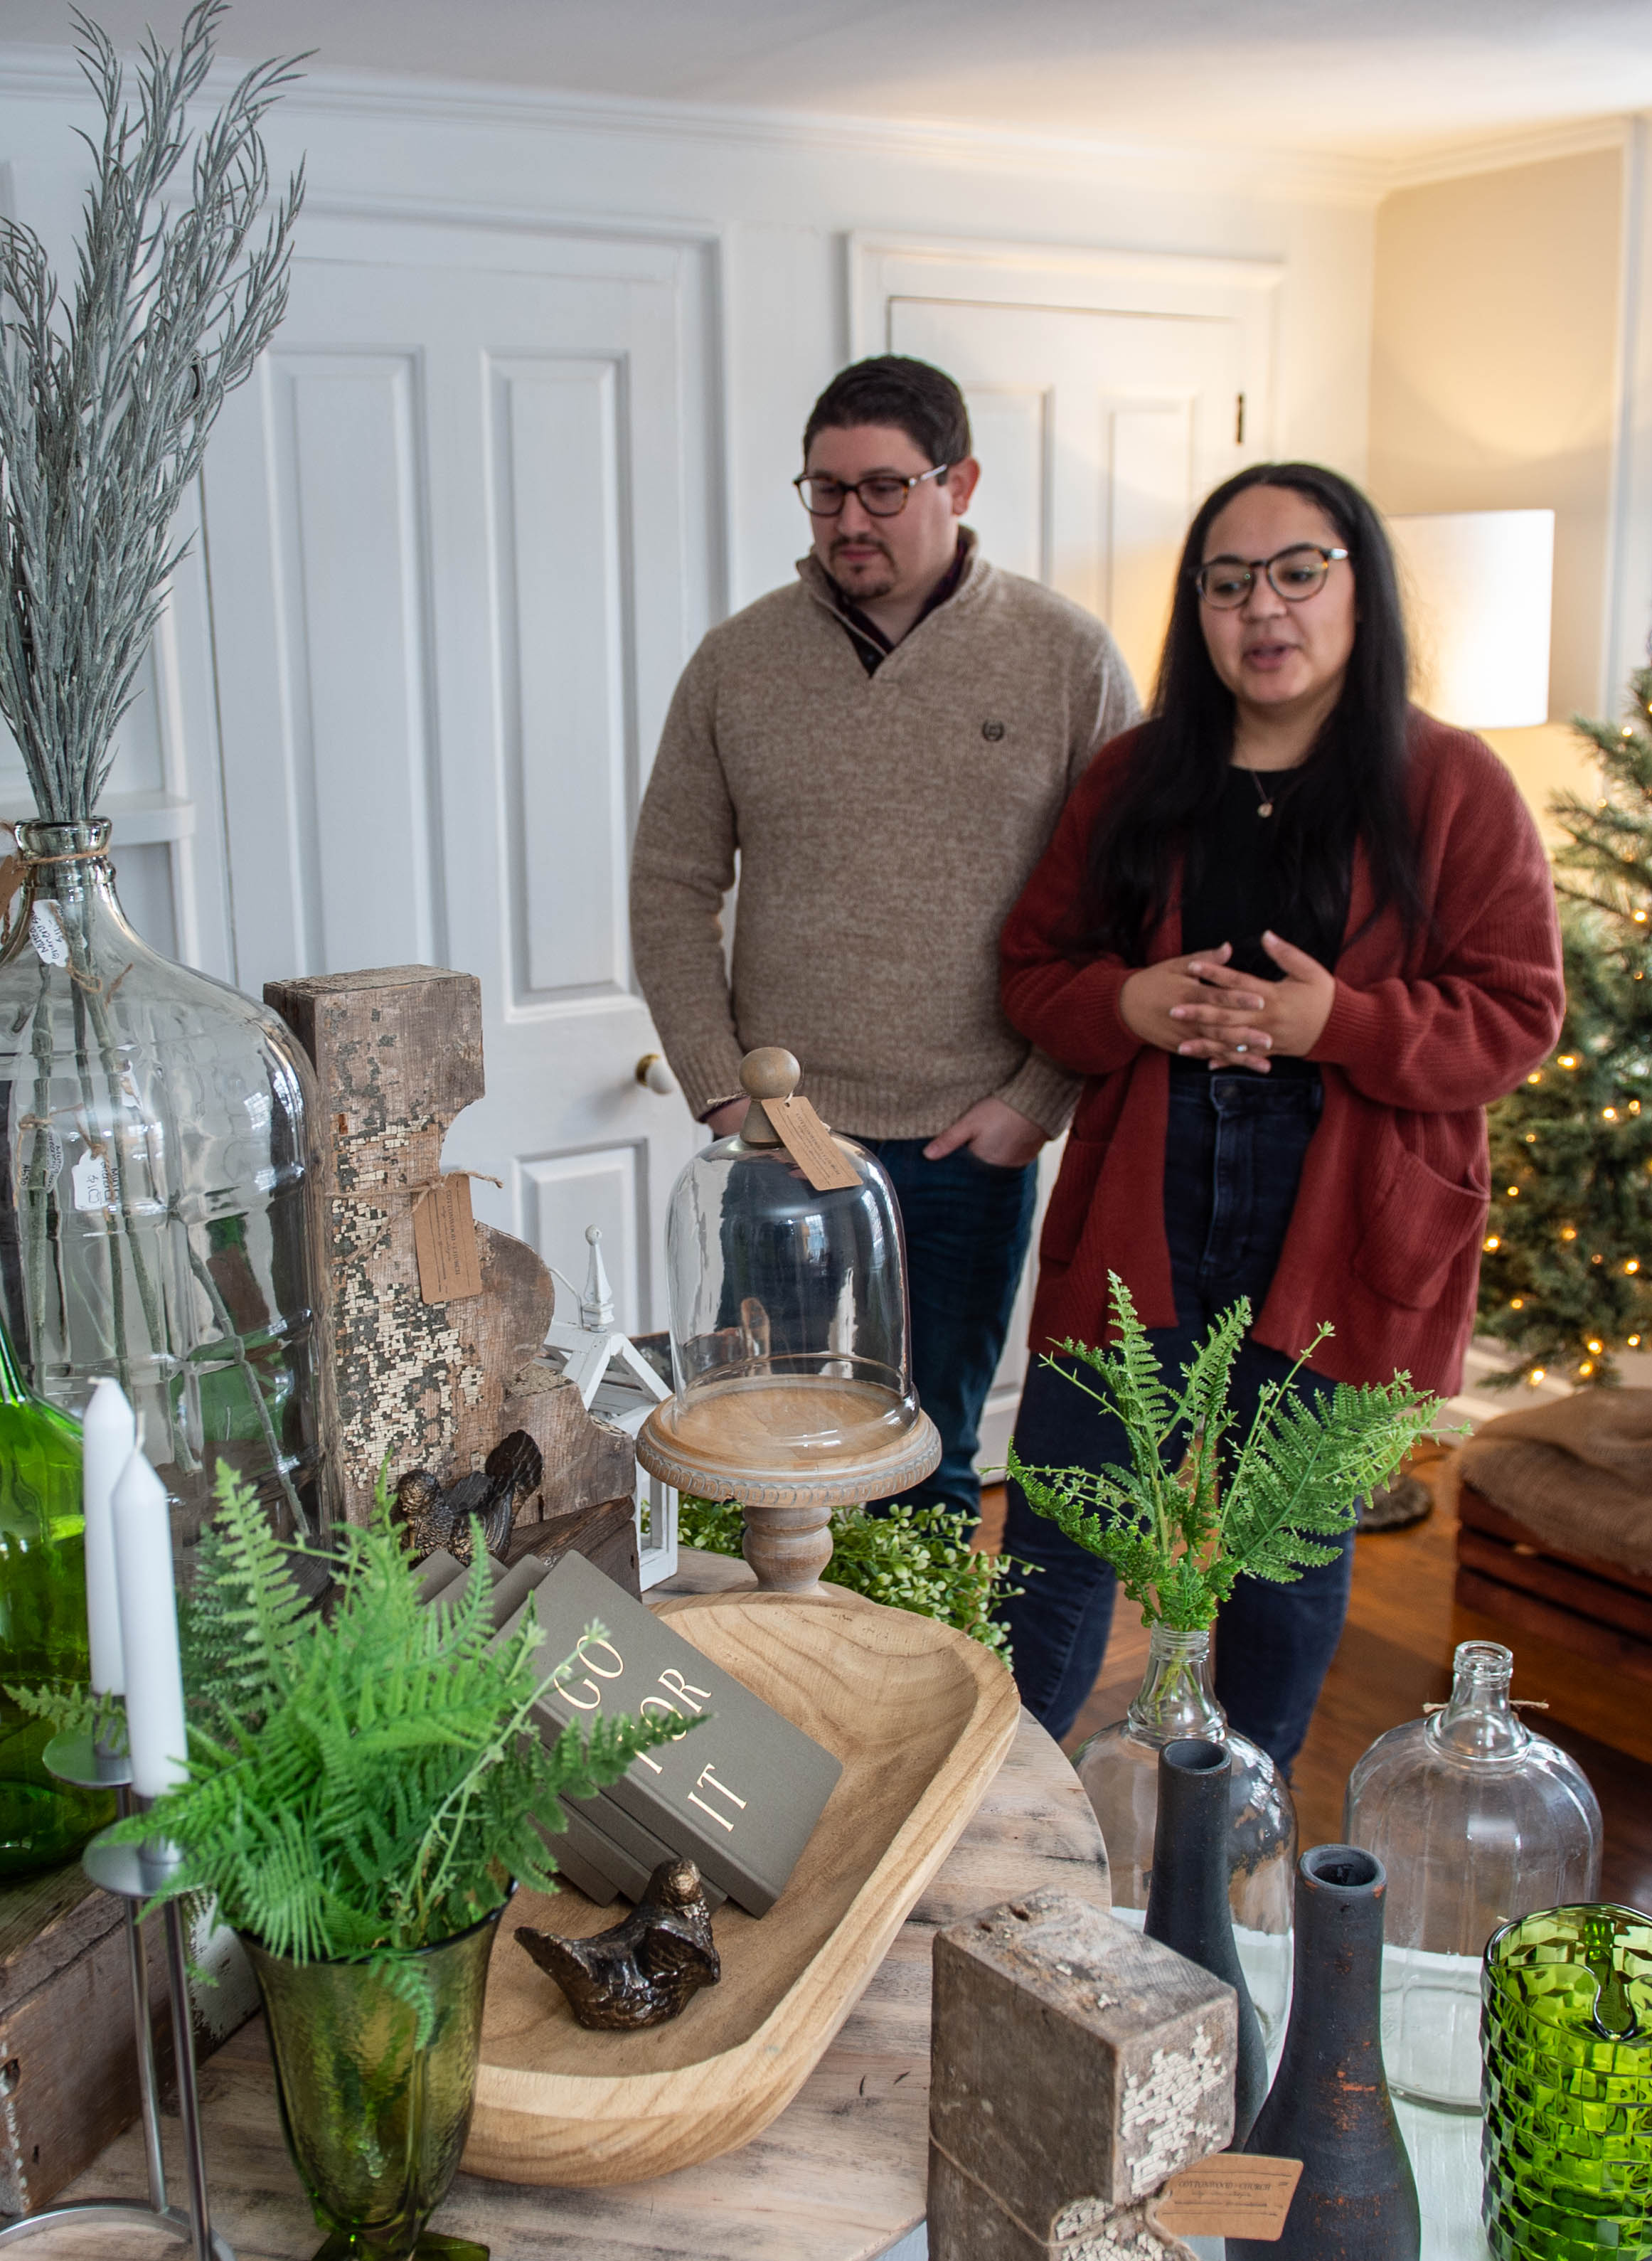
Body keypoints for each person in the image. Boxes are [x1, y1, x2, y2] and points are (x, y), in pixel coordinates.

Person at [992, 462, 1563, 1767]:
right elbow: (1034, 970)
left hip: (1341, 1216)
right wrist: (1127, 1000)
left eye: (1300, 570)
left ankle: (1232, 1836)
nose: (1267, 608)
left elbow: (1518, 1012)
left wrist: (1340, 1025)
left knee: (1285, 1560)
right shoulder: (1138, 778)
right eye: (1230, 580)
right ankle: (1007, 1820)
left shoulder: (1452, 786)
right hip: (1150, 1200)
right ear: (1198, 606)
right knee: (1064, 1532)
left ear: (1359, 587)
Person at [630, 356, 1141, 1518]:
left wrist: (1036, 1102)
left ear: (959, 481)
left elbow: (1127, 904)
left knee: (930, 1459)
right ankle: (784, 1695)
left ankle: (909, 1695)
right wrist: (723, 1095)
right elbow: (670, 884)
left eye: (883, 489)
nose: (849, 520)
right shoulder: (737, 661)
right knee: (767, 1455)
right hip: (779, 1147)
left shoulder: (1067, 659)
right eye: (824, 492)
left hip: (972, 1142)